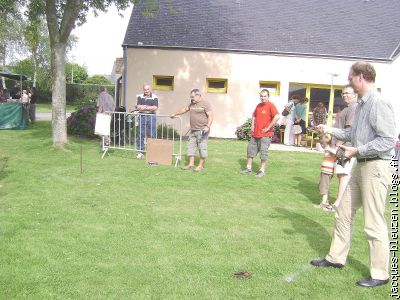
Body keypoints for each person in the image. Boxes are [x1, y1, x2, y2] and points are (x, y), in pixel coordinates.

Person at [311, 61, 396, 288]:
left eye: (350, 77)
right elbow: (353, 134)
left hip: (377, 167)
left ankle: (380, 274)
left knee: (373, 221)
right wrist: (329, 129)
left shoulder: (378, 102)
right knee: (343, 212)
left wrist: (358, 150)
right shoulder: (360, 105)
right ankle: (335, 258)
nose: (348, 81)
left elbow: (388, 140)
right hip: (361, 166)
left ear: (360, 77)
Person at [327, 85, 358, 211]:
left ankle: (338, 203)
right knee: (342, 175)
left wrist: (337, 146)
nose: (345, 95)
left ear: (355, 94)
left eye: (348, 93)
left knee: (343, 175)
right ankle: (342, 202)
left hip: (345, 148)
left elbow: (348, 130)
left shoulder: (354, 107)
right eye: (343, 93)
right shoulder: (348, 108)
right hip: (341, 147)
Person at [170, 89, 213, 172]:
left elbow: (211, 116)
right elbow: (185, 109)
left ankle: (200, 166)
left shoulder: (205, 104)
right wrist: (175, 113)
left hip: (202, 130)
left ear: (198, 95)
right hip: (193, 130)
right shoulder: (192, 103)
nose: (191, 98)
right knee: (190, 147)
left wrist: (207, 126)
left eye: (193, 97)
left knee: (202, 147)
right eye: (191, 97)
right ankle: (191, 164)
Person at [241, 89, 280, 177]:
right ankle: (248, 168)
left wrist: (268, 127)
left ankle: (261, 171)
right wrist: (252, 126)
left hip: (265, 135)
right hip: (255, 133)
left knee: (263, 153)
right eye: (261, 96)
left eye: (264, 96)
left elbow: (277, 116)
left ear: (268, 96)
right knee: (250, 150)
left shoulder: (271, 105)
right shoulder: (258, 106)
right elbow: (254, 115)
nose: (263, 98)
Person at [135, 84, 159, 159]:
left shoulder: (155, 97)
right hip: (142, 116)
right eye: (145, 89)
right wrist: (148, 107)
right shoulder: (140, 96)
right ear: (143, 90)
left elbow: (155, 108)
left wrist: (144, 107)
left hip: (151, 116)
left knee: (152, 134)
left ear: (150, 89)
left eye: (148, 89)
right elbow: (138, 106)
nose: (147, 91)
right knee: (140, 134)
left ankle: (153, 151)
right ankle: (140, 152)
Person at [314, 133, 336, 211]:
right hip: (325, 170)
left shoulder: (331, 149)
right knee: (322, 186)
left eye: (322, 144)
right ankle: (325, 201)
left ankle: (324, 203)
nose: (322, 146)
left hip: (328, 171)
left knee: (324, 187)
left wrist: (329, 149)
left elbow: (336, 153)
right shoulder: (327, 148)